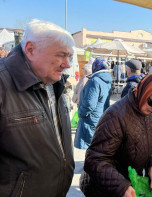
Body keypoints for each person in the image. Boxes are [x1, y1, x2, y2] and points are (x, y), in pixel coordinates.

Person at [0, 19, 75, 196]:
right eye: (61, 55)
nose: (68, 64)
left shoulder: (55, 82)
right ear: (30, 50)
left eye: (69, 56)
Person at [80, 74, 152, 197]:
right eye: (151, 102)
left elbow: (150, 147)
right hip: (105, 190)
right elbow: (94, 159)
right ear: (143, 92)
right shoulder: (115, 115)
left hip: (131, 185)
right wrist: (121, 186)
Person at [74, 57, 113, 149]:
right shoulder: (106, 80)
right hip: (100, 117)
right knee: (97, 148)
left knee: (91, 148)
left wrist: (81, 113)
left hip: (90, 119)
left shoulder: (94, 81)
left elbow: (89, 104)